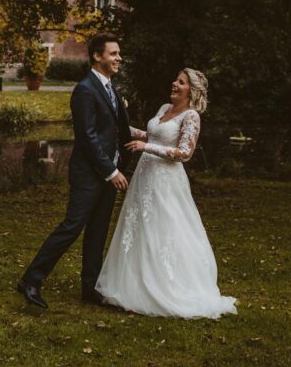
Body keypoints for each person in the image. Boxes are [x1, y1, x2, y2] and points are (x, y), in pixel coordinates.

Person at [96, 68, 236, 318]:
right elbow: (151, 135)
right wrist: (120, 126)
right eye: (175, 80)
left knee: (165, 227)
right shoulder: (163, 109)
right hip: (145, 177)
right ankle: (132, 284)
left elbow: (185, 153)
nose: (174, 84)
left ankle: (168, 284)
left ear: (190, 90)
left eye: (180, 82)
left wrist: (146, 146)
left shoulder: (191, 116)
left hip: (166, 181)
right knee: (139, 226)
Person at [17, 33, 132, 309]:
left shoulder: (112, 89)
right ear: (97, 55)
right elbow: (88, 137)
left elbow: (115, 129)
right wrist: (110, 171)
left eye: (119, 53)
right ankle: (30, 280)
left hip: (109, 173)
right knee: (71, 228)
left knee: (98, 231)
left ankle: (90, 288)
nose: (119, 58)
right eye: (113, 53)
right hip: (90, 175)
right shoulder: (85, 89)